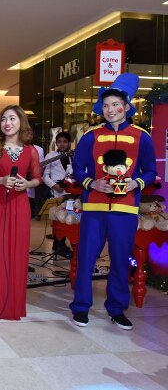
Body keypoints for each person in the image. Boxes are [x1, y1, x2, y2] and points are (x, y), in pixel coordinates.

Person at [70, 73, 156, 330]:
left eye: (115, 104)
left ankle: (117, 309)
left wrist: (136, 183)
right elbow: (78, 168)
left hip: (125, 209)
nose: (110, 110)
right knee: (86, 258)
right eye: (105, 105)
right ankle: (81, 307)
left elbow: (150, 171)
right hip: (94, 209)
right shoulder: (90, 136)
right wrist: (91, 183)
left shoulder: (142, 137)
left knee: (120, 259)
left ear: (127, 107)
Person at [0, 105, 41, 320]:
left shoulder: (31, 150)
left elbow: (37, 178)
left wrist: (28, 184)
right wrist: (1, 180)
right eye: (4, 119)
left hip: (19, 204)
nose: (7, 123)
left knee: (17, 252)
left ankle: (13, 305)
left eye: (12, 118)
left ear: (21, 122)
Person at [42, 131, 73, 257]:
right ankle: (59, 245)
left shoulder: (74, 155)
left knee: (70, 218)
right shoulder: (51, 155)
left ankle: (63, 244)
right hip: (57, 191)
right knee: (59, 219)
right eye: (59, 142)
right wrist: (54, 186)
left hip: (72, 192)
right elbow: (44, 175)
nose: (62, 144)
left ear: (69, 143)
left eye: (65, 141)